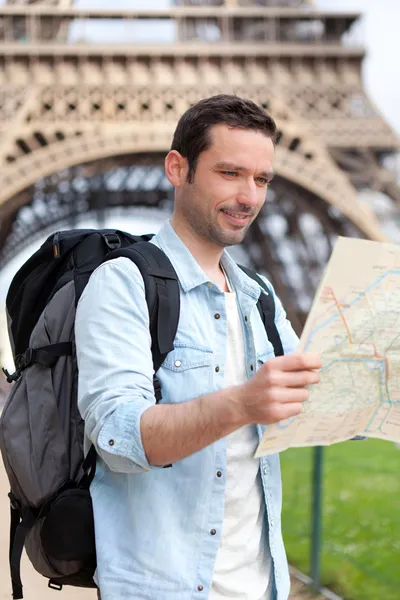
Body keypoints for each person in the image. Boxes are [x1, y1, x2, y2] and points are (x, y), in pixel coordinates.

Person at [75, 94, 321, 600]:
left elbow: (308, 408)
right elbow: (119, 438)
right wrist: (243, 402)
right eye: (230, 173)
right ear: (177, 168)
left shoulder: (261, 296)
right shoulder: (122, 284)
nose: (249, 196)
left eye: (261, 179)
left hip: (260, 586)